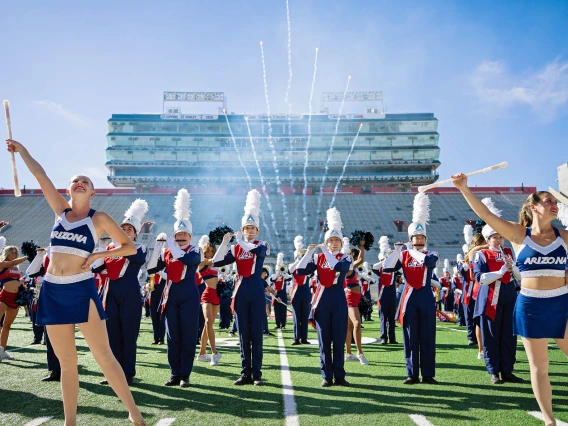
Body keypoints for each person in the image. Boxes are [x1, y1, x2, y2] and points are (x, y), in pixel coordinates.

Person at [6, 139, 146, 425]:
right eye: (74, 181)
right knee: (67, 363)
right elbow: (41, 176)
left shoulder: (100, 218)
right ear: (68, 190)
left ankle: (135, 415)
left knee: (104, 355)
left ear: (93, 191)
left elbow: (129, 248)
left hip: (82, 289)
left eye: (85, 180)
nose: (79, 182)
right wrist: (23, 152)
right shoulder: (60, 211)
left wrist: (98, 253)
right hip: (53, 291)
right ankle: (70, 422)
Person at [453, 174, 568, 426]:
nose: (553, 204)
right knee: (539, 367)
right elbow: (487, 215)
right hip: (530, 305)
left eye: (554, 201)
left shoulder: (565, 236)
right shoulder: (518, 234)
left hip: (561, 304)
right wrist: (464, 188)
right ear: (533, 207)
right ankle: (549, 421)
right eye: (547, 200)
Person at [212, 190, 270, 386]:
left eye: (253, 228)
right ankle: (245, 372)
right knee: (244, 334)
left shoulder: (262, 244)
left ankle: (257, 374)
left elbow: (254, 250)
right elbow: (216, 261)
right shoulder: (236, 247)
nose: (250, 231)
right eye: (247, 228)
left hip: (255, 288)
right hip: (241, 289)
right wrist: (225, 243)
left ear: (258, 231)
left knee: (256, 334)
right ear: (242, 229)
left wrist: (239, 241)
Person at [383, 193, 440, 385]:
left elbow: (430, 262)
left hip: (425, 295)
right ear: (410, 237)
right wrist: (398, 250)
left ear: (425, 237)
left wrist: (411, 249)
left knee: (427, 336)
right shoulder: (405, 254)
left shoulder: (431, 253)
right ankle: (411, 373)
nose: (418, 239)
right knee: (410, 336)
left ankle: (428, 374)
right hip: (408, 297)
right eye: (414, 236)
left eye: (420, 236)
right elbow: (387, 267)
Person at [146, 189, 201, 388]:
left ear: (190, 236)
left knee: (187, 335)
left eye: (185, 234)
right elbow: (152, 268)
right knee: (172, 337)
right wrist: (158, 249)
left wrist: (172, 246)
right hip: (171, 296)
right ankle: (174, 373)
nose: (181, 237)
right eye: (178, 234)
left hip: (189, 296)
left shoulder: (195, 250)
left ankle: (185, 374)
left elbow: (187, 259)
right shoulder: (169, 251)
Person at [92, 199, 149, 386]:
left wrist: (118, 247)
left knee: (128, 334)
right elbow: (96, 268)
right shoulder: (109, 248)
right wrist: (101, 248)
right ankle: (113, 374)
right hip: (111, 294)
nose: (125, 232)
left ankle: (128, 373)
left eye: (129, 229)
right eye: (122, 228)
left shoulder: (139, 246)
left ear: (136, 233)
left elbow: (138, 257)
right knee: (112, 335)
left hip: (130, 294)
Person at [295, 208, 353, 387]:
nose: (334, 243)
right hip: (322, 300)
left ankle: (340, 375)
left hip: (338, 299)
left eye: (337, 240)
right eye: (331, 240)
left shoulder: (346, 257)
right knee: (324, 339)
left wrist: (325, 252)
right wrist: (308, 253)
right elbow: (300, 270)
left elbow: (338, 268)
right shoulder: (318, 258)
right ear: (326, 242)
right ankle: (327, 375)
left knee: (338, 338)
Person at [472, 199, 522, 385]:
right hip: (490, 299)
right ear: (488, 239)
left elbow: (520, 274)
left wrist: (512, 268)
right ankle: (494, 371)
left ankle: (507, 370)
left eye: (501, 236)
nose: (499, 240)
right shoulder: (482, 254)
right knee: (491, 336)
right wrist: (501, 271)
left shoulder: (509, 251)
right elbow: (480, 278)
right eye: (495, 237)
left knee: (509, 335)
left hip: (509, 296)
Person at [196, 235, 222, 366]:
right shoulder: (202, 261)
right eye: (208, 250)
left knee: (209, 325)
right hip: (207, 294)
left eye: (212, 250)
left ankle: (201, 354)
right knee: (207, 321)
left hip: (217, 295)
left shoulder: (214, 262)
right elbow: (213, 261)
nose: (210, 252)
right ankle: (214, 353)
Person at [342, 238, 369, 365]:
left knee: (349, 326)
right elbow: (361, 260)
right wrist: (362, 247)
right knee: (357, 323)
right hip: (350, 298)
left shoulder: (354, 269)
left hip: (355, 297)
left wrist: (362, 295)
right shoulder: (349, 267)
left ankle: (348, 353)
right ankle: (360, 353)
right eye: (357, 256)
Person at [0, 241, 28, 361]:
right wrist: (28, 255)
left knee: (7, 325)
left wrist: (22, 287)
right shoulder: (2, 263)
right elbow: (11, 263)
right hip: (3, 297)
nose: (14, 254)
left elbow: (16, 275)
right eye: (12, 252)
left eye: (15, 253)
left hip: (15, 299)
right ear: (6, 253)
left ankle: (3, 350)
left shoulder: (16, 267)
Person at [373, 236, 398, 345]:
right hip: (382, 296)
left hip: (392, 295)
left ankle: (392, 338)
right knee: (383, 318)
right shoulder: (380, 270)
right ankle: (384, 337)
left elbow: (400, 269)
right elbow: (374, 267)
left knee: (392, 318)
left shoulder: (393, 269)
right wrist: (384, 259)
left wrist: (392, 258)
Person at [288, 236, 312, 345]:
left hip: (305, 291)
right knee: (297, 315)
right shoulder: (292, 265)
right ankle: (296, 338)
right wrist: (298, 260)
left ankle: (304, 338)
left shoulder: (307, 266)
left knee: (305, 314)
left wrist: (304, 260)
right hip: (296, 291)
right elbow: (290, 270)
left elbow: (311, 274)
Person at [148, 269, 166, 344]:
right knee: (154, 317)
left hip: (162, 294)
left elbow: (167, 277)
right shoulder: (152, 271)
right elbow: (149, 282)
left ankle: (161, 338)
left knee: (161, 317)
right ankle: (156, 338)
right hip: (153, 294)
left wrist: (159, 271)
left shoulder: (166, 269)